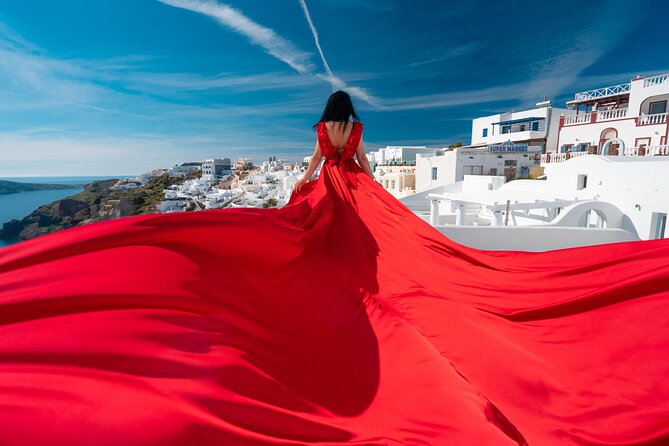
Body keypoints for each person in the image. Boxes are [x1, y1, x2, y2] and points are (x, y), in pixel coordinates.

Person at [0, 91, 668, 445]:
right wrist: (368, 188)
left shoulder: (322, 134)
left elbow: (317, 168)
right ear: (352, 118)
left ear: (327, 117)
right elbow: (362, 168)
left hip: (330, 189)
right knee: (370, 247)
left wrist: (299, 196)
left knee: (316, 243)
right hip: (356, 189)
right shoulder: (356, 132)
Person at [293, 90, 374, 194]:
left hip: (331, 173)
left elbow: (317, 156)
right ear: (348, 107)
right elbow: (362, 158)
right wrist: (372, 180)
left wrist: (304, 179)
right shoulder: (355, 128)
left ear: (330, 107)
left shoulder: (323, 127)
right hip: (352, 173)